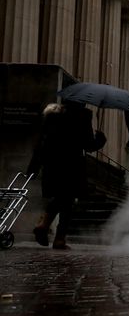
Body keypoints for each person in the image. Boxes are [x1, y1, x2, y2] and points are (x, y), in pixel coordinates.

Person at [27, 101, 107, 249]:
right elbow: (88, 145)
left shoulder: (51, 115)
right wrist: (100, 139)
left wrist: (34, 166)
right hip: (72, 164)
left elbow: (41, 142)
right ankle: (56, 236)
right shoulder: (82, 115)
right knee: (67, 201)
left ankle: (45, 226)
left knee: (61, 197)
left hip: (52, 164)